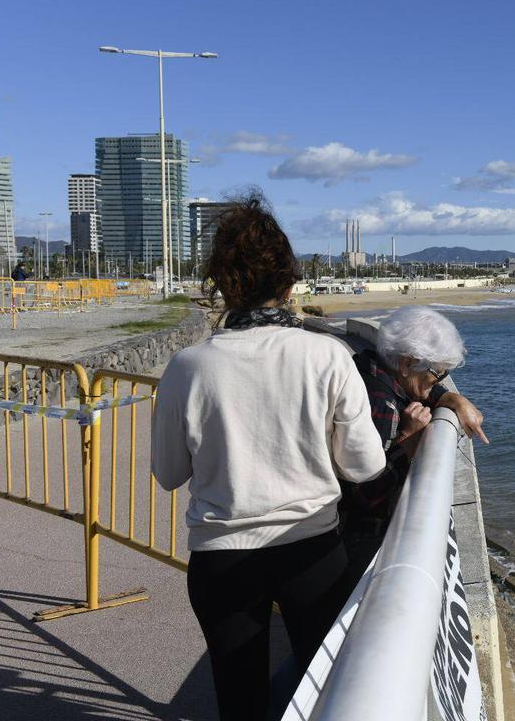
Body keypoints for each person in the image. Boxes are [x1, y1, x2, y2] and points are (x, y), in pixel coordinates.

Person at [151, 194, 387, 720]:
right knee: (321, 692)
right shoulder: (326, 356)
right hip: (312, 551)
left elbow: (168, 474)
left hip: (221, 556)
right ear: (289, 283)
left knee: (240, 698)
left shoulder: (188, 367)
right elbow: (365, 468)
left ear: (221, 283)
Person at [339, 305, 487, 589]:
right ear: (407, 364)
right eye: (439, 374)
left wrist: (454, 400)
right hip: (358, 539)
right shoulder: (381, 406)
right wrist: (407, 441)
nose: (440, 382)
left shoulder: (366, 367)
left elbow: (424, 388)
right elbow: (363, 495)